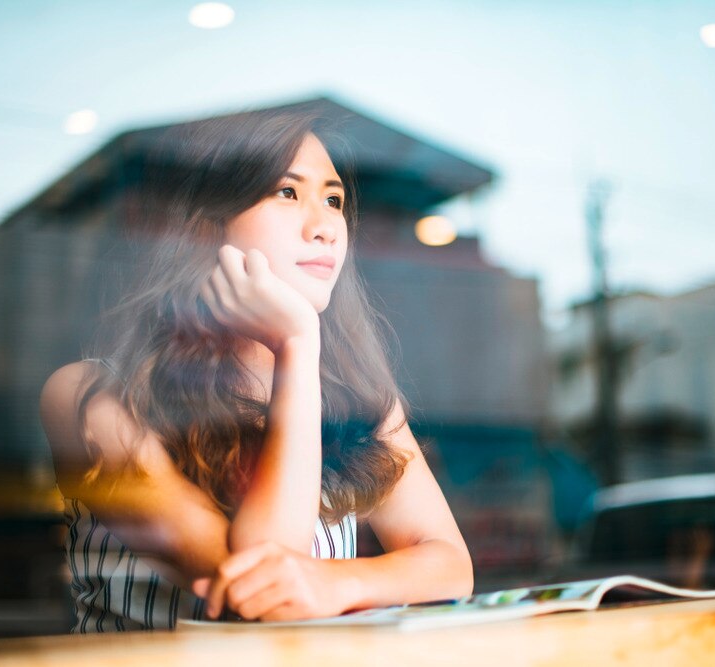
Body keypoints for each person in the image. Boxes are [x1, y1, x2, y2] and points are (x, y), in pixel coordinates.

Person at [39, 110, 473, 632]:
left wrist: (337, 584)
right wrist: (296, 341)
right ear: (205, 225)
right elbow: (255, 591)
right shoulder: (88, 396)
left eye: (333, 201)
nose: (324, 229)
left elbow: (449, 563)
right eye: (288, 193)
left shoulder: (360, 400)